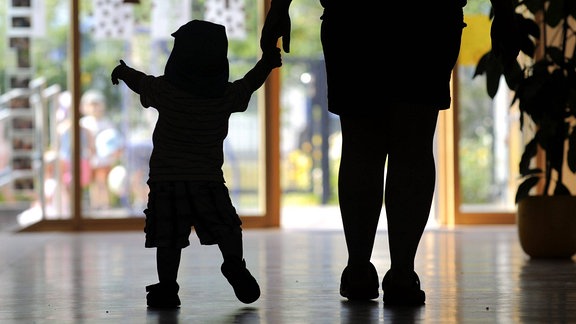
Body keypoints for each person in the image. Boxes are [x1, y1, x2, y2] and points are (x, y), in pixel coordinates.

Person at [260, 0, 520, 305]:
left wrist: (279, 5)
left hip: (353, 18)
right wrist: (503, 9)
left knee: (359, 147)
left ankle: (358, 268)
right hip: (427, 19)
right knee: (413, 147)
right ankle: (402, 274)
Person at [110, 19, 282, 308]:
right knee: (227, 227)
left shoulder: (165, 90)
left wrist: (122, 70)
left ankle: (167, 287)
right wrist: (266, 63)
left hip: (167, 180)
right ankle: (234, 265)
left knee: (168, 238)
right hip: (207, 180)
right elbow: (248, 84)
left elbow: (139, 81)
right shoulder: (223, 96)